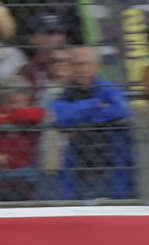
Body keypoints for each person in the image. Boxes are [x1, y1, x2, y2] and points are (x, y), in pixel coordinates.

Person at [53, 48, 134, 199]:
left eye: (86, 64)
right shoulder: (67, 93)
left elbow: (120, 109)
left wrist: (79, 115)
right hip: (78, 162)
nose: (81, 69)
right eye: (77, 64)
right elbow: (62, 117)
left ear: (97, 66)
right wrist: (95, 103)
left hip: (111, 161)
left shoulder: (108, 88)